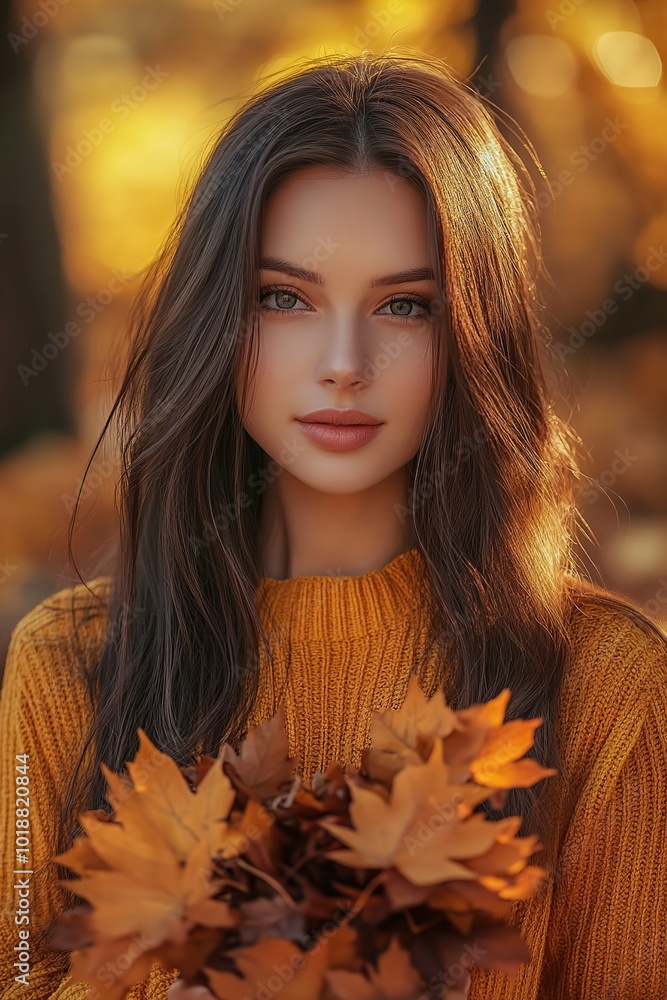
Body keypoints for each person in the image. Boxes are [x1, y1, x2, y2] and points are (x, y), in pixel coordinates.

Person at [1, 50, 666, 1000]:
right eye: (285, 299)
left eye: (405, 305)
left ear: (476, 332)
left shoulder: (608, 687)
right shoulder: (73, 663)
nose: (343, 362)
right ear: (217, 321)